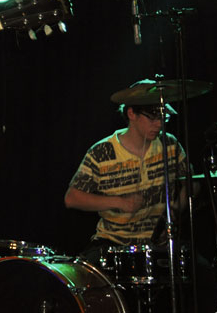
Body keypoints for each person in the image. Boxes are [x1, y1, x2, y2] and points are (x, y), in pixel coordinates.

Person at [64, 79, 188, 266]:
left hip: (160, 244)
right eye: (152, 118)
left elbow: (191, 183)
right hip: (113, 244)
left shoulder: (170, 144)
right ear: (131, 113)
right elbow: (72, 198)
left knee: (203, 272)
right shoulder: (102, 152)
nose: (159, 124)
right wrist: (119, 202)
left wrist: (176, 210)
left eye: (163, 118)